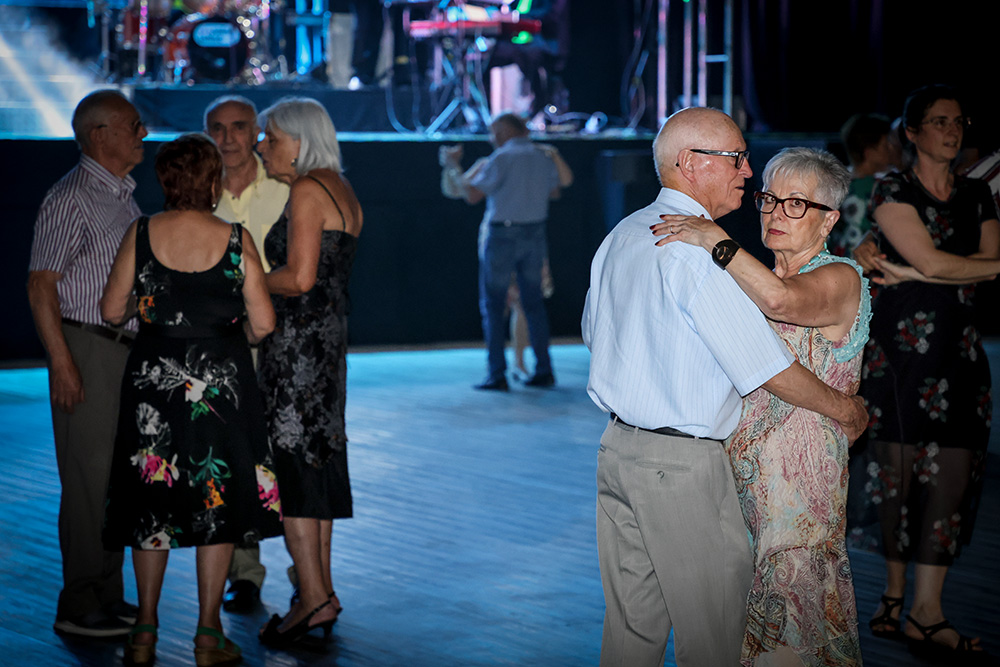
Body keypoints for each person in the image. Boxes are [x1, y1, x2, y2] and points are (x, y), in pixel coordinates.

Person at [581, 107, 869, 667]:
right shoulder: (698, 254)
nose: (746, 171)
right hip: (680, 468)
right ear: (691, 164)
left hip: (619, 451)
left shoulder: (625, 233)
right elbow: (766, 368)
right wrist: (848, 411)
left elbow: (596, 333)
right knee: (713, 641)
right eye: (736, 159)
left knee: (632, 633)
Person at [652, 147, 869, 665]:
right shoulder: (748, 278)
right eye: (770, 199)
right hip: (738, 479)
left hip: (800, 487)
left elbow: (783, 301)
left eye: (796, 203)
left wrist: (716, 240)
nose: (774, 213)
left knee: (793, 629)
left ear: (830, 220)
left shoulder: (843, 278)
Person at [101, 133, 282, 666]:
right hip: (220, 384)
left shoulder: (140, 232)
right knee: (215, 497)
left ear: (164, 179)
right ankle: (207, 633)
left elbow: (112, 312)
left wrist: (156, 304)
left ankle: (144, 631)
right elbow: (264, 323)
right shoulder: (235, 237)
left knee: (151, 500)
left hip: (152, 381)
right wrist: (232, 332)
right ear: (212, 181)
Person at [857, 84, 998, 659]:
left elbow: (985, 267)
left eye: (959, 121)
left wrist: (921, 274)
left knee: (950, 482)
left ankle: (924, 609)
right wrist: (943, 272)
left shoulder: (977, 194)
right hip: (901, 354)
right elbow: (946, 262)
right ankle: (895, 598)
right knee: (898, 478)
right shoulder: (894, 186)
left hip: (959, 356)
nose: (952, 130)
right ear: (912, 132)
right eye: (938, 121)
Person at [26, 89, 145, 639]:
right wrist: (62, 362)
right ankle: (77, 604)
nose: (142, 133)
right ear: (99, 135)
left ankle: (107, 593)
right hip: (88, 346)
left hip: (120, 349)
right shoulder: (70, 197)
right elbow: (41, 285)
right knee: (86, 479)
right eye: (132, 125)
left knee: (114, 479)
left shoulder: (122, 197)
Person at [254, 97, 363, 646]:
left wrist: (243, 276)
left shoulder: (305, 190)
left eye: (270, 137)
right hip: (326, 351)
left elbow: (297, 279)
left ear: (299, 140)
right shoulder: (340, 189)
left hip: (296, 353)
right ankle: (320, 592)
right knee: (316, 468)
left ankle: (315, 597)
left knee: (297, 472)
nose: (262, 147)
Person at [204, 94, 291, 612]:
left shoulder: (285, 191)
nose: (229, 138)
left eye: (239, 127)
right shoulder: (196, 195)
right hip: (221, 344)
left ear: (258, 132)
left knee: (289, 456)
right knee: (232, 459)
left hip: (281, 343)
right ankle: (245, 572)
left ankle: (309, 574)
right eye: (217, 129)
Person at [440, 113, 573, 390]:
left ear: (503, 131)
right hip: (535, 232)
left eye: (493, 132)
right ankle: (544, 369)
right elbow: (556, 191)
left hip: (503, 235)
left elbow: (473, 194)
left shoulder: (501, 158)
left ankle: (497, 373)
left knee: (493, 304)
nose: (491, 138)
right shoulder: (541, 156)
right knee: (533, 304)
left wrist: (452, 166)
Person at [830, 113, 894, 257]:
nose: (892, 150)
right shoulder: (879, 187)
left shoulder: (835, 182)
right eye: (885, 146)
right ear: (869, 152)